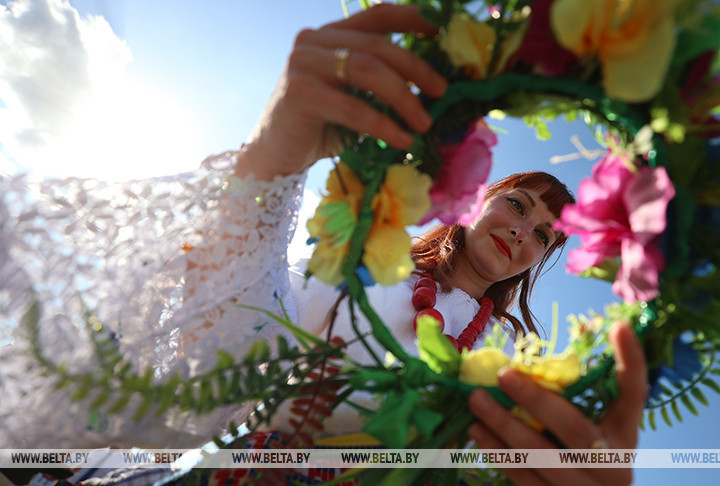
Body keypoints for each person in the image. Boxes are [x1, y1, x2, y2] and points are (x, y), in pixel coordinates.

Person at [0, 3, 646, 485]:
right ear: (477, 200)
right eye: (515, 205)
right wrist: (269, 168)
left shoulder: (514, 365)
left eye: (542, 235)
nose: (520, 232)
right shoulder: (366, 263)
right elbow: (229, 344)